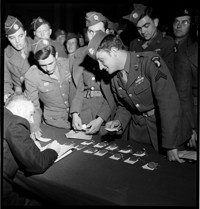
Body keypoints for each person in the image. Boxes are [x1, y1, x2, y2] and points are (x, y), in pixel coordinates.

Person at [87, 31, 186, 163]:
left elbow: (168, 102)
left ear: (114, 51)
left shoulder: (149, 62)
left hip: (166, 132)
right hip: (139, 135)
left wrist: (171, 143)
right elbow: (124, 106)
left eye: (101, 60)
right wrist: (118, 122)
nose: (100, 66)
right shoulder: (115, 79)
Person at [3, 94, 61, 206]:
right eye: (30, 114)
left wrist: (29, 145)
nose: (31, 120)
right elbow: (37, 164)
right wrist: (53, 150)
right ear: (19, 109)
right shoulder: (15, 122)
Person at [69, 11, 116, 135]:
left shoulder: (114, 54)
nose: (94, 37)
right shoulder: (80, 54)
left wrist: (100, 119)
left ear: (106, 32)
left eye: (98, 32)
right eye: (91, 32)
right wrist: (75, 113)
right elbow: (78, 87)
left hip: (106, 114)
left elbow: (114, 93)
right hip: (84, 112)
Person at [24, 38, 71, 140]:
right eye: (43, 65)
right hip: (55, 124)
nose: (48, 69)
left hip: (79, 118)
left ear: (56, 56)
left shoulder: (68, 64)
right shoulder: (32, 76)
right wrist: (34, 127)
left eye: (51, 63)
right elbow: (33, 107)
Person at [123, 3, 175, 78]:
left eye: (146, 26)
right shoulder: (134, 44)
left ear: (155, 22)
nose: (143, 31)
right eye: (139, 28)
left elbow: (168, 77)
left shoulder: (167, 45)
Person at [4, 15, 34, 103]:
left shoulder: (36, 46)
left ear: (25, 33)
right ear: (7, 38)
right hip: (21, 96)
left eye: (20, 36)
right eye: (12, 38)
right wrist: (7, 94)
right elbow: (6, 82)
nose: (17, 41)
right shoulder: (6, 54)